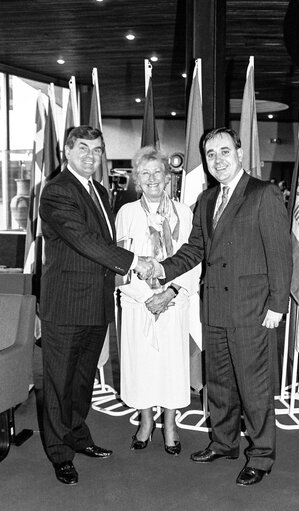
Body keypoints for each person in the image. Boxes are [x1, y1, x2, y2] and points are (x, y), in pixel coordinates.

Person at [148, 127, 292, 486]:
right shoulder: (208, 200)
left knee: (254, 388)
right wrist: (162, 268)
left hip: (252, 310)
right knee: (221, 384)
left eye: (224, 151)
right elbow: (195, 249)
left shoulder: (264, 194)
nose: (218, 160)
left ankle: (261, 455)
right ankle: (224, 442)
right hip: (214, 307)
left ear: (240, 154)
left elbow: (280, 255)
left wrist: (277, 305)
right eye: (211, 154)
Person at [39, 126, 153, 485]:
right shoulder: (57, 191)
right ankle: (60, 454)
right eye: (84, 148)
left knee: (83, 381)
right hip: (66, 305)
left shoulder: (101, 191)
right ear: (67, 151)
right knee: (59, 384)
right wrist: (133, 261)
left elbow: (103, 241)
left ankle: (77, 436)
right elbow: (83, 239)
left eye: (98, 150)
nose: (92, 155)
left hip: (96, 302)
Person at [115, 146, 200, 455]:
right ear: (137, 178)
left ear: (168, 178)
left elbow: (193, 260)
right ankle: (146, 421)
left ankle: (171, 423)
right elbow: (119, 263)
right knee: (143, 365)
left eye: (158, 173)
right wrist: (145, 296)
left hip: (173, 302)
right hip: (138, 304)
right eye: (145, 173)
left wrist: (170, 293)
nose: (152, 179)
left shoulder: (184, 213)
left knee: (170, 365)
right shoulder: (126, 213)